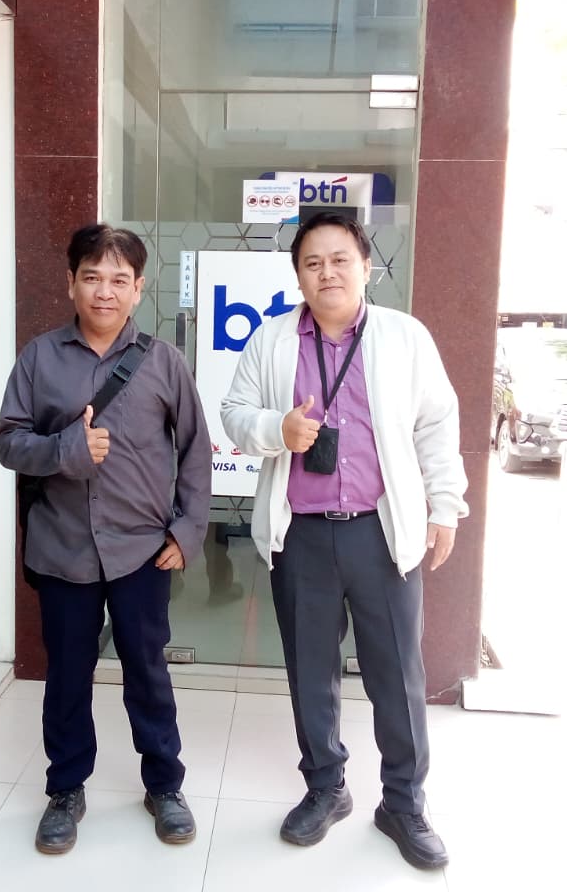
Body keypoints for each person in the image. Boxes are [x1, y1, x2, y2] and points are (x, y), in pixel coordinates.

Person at [220, 211, 468, 870]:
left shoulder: (403, 336)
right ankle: (326, 788)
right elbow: (235, 413)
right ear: (298, 275)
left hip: (381, 533)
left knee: (398, 676)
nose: (326, 272)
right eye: (312, 262)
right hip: (301, 535)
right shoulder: (272, 340)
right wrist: (277, 430)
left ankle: (403, 803)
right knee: (310, 672)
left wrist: (446, 507)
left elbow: (437, 424)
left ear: (366, 266)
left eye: (339, 259)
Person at [0, 223, 212, 855]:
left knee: (148, 670)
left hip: (142, 549)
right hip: (62, 546)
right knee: (68, 674)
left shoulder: (163, 361)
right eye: (92, 277)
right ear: (71, 283)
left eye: (120, 279)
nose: (105, 291)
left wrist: (188, 530)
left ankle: (164, 785)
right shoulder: (39, 358)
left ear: (139, 289)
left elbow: (196, 449)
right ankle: (65, 789)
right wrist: (67, 449)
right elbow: (8, 442)